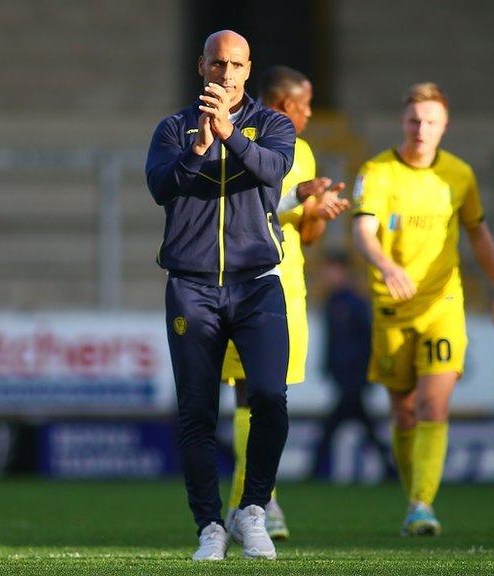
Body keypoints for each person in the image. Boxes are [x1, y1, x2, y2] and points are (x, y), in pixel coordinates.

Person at [145, 30, 295, 561]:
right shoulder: (173, 128)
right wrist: (200, 146)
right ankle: (209, 525)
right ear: (201, 66)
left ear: (248, 68)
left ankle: (252, 510)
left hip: (257, 284)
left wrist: (231, 135)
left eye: (235, 64)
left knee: (271, 400)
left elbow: (274, 170)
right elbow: (161, 187)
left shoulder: (275, 123)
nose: (225, 73)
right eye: (216, 63)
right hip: (191, 286)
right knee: (195, 412)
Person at [351, 82, 494, 536]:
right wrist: (386, 265)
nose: (421, 129)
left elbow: (478, 234)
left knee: (432, 405)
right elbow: (363, 231)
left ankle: (423, 504)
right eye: (414, 120)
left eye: (430, 122)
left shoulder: (458, 175)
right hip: (392, 308)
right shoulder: (378, 172)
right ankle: (414, 500)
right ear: (403, 122)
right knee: (403, 412)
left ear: (444, 127)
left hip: (443, 302)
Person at [221, 65, 350, 542]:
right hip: (242, 281)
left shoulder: (307, 150)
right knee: (245, 394)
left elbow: (310, 236)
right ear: (281, 103)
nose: (311, 113)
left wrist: (319, 212)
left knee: (271, 397)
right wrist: (301, 202)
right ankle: (253, 505)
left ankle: (258, 499)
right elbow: (240, 206)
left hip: (286, 286)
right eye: (305, 104)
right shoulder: (247, 140)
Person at [311, 250, 385, 477]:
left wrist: (364, 374)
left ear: (342, 271)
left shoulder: (354, 303)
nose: (327, 275)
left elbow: (367, 340)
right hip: (344, 377)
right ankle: (390, 468)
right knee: (364, 426)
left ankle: (316, 471)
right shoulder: (332, 302)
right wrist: (329, 366)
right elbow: (332, 341)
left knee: (332, 427)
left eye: (331, 270)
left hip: (354, 378)